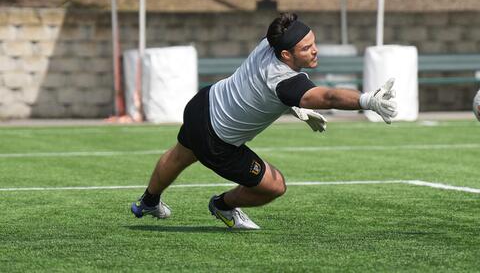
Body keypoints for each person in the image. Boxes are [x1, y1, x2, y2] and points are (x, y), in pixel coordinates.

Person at [131, 12, 398, 230]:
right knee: (275, 186)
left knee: (180, 156)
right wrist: (367, 101)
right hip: (218, 141)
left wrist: (294, 106)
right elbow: (328, 97)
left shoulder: (269, 42)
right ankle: (222, 205)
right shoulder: (285, 80)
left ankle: (148, 201)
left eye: (314, 42)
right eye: (306, 48)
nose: (315, 51)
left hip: (204, 103)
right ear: (285, 56)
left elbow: (276, 89)